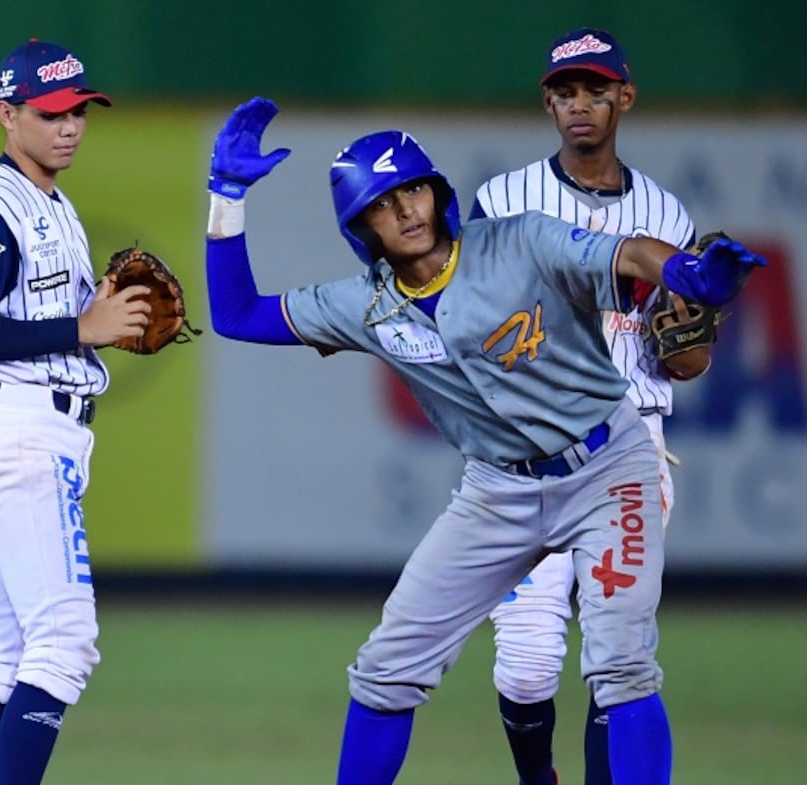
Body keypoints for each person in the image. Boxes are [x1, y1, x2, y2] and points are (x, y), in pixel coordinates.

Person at [203, 96, 764, 785]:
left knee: (620, 664)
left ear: (439, 195)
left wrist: (684, 274)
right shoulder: (365, 305)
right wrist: (226, 197)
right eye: (384, 201)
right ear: (362, 225)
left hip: (607, 467)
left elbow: (626, 251)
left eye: (414, 188)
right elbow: (235, 314)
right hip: (498, 490)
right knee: (386, 669)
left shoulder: (518, 240)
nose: (407, 209)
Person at [468, 27, 703, 785]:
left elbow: (690, 361)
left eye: (595, 91)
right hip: (525, 453)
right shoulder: (502, 201)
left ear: (623, 99)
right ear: (548, 102)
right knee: (529, 664)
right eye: (565, 92)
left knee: (618, 655)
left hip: (632, 443)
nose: (579, 106)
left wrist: (690, 331)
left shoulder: (667, 217)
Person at [0, 39, 151, 785]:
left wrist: (95, 319)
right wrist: (78, 330)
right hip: (20, 431)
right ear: (7, 114)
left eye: (80, 111)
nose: (70, 126)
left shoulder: (53, 203)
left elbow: (56, 323)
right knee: (65, 642)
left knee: (4, 649)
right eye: (51, 112)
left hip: (38, 426)